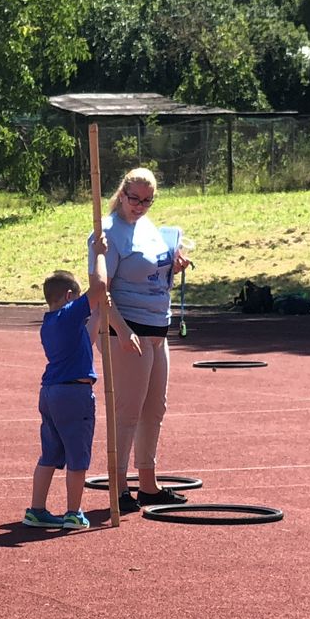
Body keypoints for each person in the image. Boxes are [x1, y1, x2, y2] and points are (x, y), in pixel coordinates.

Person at [93, 165, 192, 510]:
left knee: (155, 408)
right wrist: (121, 329)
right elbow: (101, 288)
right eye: (134, 198)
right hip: (127, 328)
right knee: (128, 410)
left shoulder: (149, 227)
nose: (139, 205)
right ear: (122, 195)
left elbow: (155, 270)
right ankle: (119, 486)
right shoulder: (107, 232)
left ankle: (148, 484)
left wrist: (175, 265)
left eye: (147, 201)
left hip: (157, 327)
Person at [24, 267, 129, 532]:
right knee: (78, 455)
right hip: (73, 394)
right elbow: (100, 285)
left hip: (51, 392)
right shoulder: (68, 315)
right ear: (69, 296)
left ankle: (36, 509)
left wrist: (99, 313)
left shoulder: (52, 322)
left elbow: (88, 338)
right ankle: (73, 513)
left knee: (50, 453)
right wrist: (99, 253)